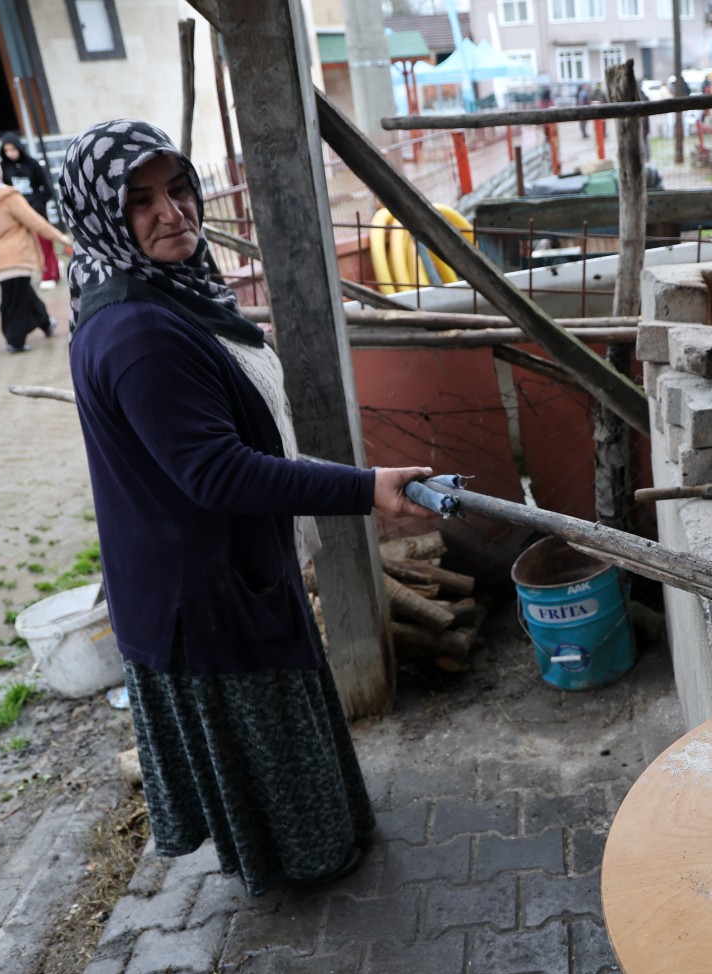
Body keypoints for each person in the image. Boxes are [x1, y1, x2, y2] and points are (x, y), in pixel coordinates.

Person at [58, 119, 438, 896]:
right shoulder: (138, 331)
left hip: (219, 566)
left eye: (179, 188)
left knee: (281, 722)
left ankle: (315, 845)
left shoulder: (161, 294)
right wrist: (364, 489)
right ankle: (304, 870)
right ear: (102, 215)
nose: (174, 213)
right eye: (140, 201)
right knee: (266, 735)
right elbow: (218, 473)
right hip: (202, 587)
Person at [0, 158, 72, 353]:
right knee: (14, 299)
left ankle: (44, 322)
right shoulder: (7, 196)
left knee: (23, 292)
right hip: (15, 255)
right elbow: (35, 221)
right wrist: (60, 237)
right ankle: (15, 340)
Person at [0, 133, 60, 289]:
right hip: (17, 213)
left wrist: (40, 202)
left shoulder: (32, 164)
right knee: (28, 245)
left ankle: (50, 273)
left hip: (37, 210)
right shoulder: (3, 167)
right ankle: (43, 271)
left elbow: (46, 186)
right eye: (7, 150)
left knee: (45, 242)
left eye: (13, 149)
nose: (10, 153)